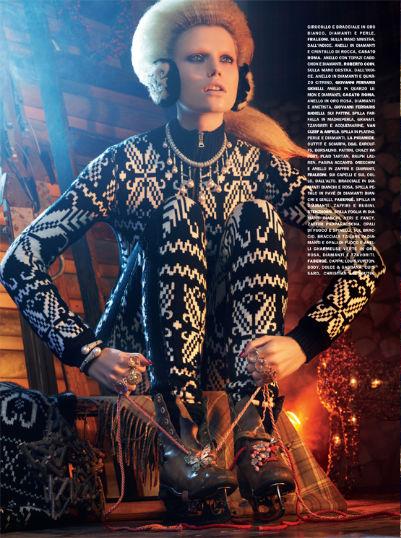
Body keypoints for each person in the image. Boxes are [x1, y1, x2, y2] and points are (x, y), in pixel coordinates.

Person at [0, 0, 385, 523]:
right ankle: (183, 441)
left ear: (242, 75)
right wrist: (87, 351)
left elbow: (363, 259)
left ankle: (255, 438)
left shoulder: (263, 167)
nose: (214, 72)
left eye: (226, 60)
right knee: (179, 214)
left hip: (235, 358)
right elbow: (20, 262)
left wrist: (303, 342)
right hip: (145, 357)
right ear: (164, 73)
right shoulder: (124, 164)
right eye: (197, 58)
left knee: (258, 216)